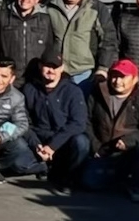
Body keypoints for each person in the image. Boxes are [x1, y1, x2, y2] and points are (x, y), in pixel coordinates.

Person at [83, 58, 139, 203]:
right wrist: (95, 146)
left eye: (123, 77)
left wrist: (129, 140)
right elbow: (86, 121)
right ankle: (118, 176)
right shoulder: (97, 93)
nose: (117, 81)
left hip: (129, 151)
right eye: (115, 76)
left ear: (134, 79)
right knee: (91, 182)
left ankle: (137, 184)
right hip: (103, 151)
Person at [21, 49, 90, 193]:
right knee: (17, 157)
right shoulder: (28, 89)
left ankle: (67, 177)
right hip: (39, 139)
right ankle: (44, 167)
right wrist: (36, 145)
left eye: (55, 67)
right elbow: (24, 121)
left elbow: (78, 123)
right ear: (40, 66)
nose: (51, 70)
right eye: (47, 66)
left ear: (62, 68)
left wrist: (53, 146)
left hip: (63, 140)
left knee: (82, 142)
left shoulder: (73, 91)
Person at [43, 0, 118, 93]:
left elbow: (108, 39)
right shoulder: (50, 7)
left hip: (85, 72)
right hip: (56, 71)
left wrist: (103, 68)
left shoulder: (96, 8)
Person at [0, 0, 53, 85]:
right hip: (11, 77)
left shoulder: (45, 20)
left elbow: (49, 47)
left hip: (37, 77)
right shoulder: (3, 17)